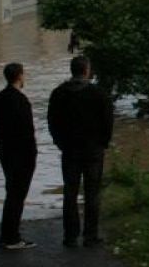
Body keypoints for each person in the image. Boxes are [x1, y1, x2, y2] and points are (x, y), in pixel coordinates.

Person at [47, 55, 114, 247]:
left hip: (69, 150)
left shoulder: (59, 93)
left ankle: (70, 236)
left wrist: (59, 142)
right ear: (87, 71)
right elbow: (108, 122)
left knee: (70, 192)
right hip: (93, 150)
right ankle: (90, 236)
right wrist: (103, 143)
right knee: (92, 193)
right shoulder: (98, 94)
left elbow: (52, 121)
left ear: (72, 70)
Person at [0, 62, 38, 250]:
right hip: (22, 155)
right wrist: (32, 154)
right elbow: (28, 131)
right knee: (17, 196)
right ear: (19, 76)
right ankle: (11, 237)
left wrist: (1, 148)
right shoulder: (21, 101)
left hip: (6, 153)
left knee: (12, 193)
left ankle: (8, 234)